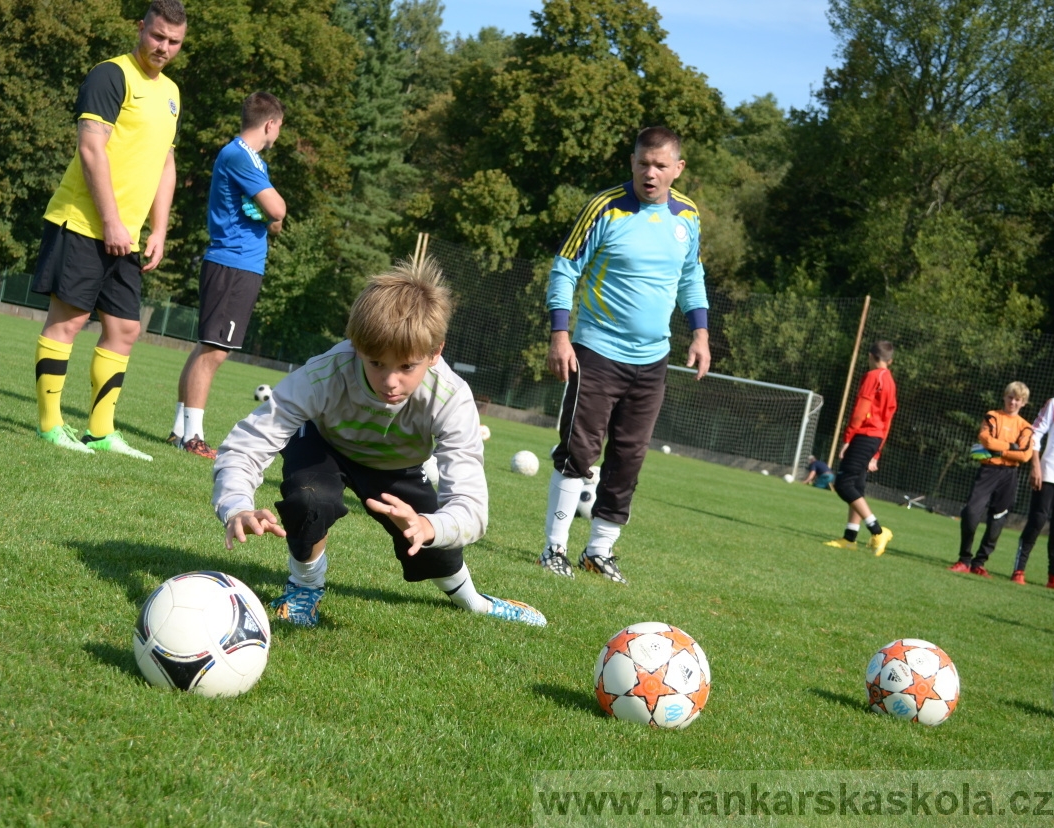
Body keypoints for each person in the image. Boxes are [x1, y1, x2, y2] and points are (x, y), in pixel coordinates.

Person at [210, 258, 546, 628]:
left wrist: (429, 526)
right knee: (309, 498)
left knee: (436, 550)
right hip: (324, 446)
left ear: (435, 352)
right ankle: (304, 588)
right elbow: (248, 443)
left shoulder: (451, 396)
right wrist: (236, 505)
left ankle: (475, 602)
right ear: (356, 346)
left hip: (396, 467)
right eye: (376, 363)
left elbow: (471, 506)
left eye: (406, 366)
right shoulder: (324, 372)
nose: (390, 381)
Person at [538, 126, 711, 585]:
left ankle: (599, 551)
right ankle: (554, 549)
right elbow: (565, 267)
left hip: (652, 361)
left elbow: (691, 275)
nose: (649, 174)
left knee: (630, 457)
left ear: (678, 168)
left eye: (659, 165)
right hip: (595, 351)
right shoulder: (605, 208)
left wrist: (700, 333)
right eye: (641, 163)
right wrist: (560, 334)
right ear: (631, 162)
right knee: (579, 450)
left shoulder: (687, 215)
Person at [29, 0, 186, 460]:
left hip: (128, 237)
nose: (164, 47)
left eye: (174, 42)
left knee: (124, 330)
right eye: (157, 36)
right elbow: (91, 149)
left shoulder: (173, 93)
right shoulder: (110, 75)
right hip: (82, 222)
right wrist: (114, 221)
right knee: (70, 321)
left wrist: (158, 228)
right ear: (141, 28)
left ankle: (101, 432)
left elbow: (165, 164)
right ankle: (50, 426)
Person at [168, 92, 287, 459]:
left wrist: (271, 215)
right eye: (279, 127)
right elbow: (278, 210)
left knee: (207, 348)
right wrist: (272, 213)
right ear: (270, 124)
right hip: (234, 264)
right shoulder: (240, 156)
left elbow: (274, 219)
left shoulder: (253, 162)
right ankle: (194, 437)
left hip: (238, 263)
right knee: (215, 351)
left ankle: (179, 430)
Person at [950, 382, 1034, 577]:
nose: (1013, 402)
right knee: (971, 512)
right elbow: (985, 440)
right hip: (988, 471)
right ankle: (964, 559)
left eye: (1017, 399)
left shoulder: (1026, 427)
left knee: (997, 519)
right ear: (1004, 397)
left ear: (1024, 403)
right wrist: (1012, 447)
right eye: (1010, 397)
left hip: (1009, 476)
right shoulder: (992, 416)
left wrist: (1000, 449)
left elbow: (1025, 455)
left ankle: (979, 563)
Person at [824, 342, 897, 556]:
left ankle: (878, 530)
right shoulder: (890, 381)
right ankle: (849, 539)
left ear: (871, 356)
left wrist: (848, 437)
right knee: (857, 485)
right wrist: (877, 452)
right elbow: (888, 419)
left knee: (844, 484)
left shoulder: (873, 376)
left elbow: (860, 410)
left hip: (864, 435)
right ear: (890, 360)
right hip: (875, 438)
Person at [1013, 394, 1054, 588]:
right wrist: (1036, 466)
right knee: (1037, 520)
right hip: (1048, 472)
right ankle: (1019, 570)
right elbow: (1036, 433)